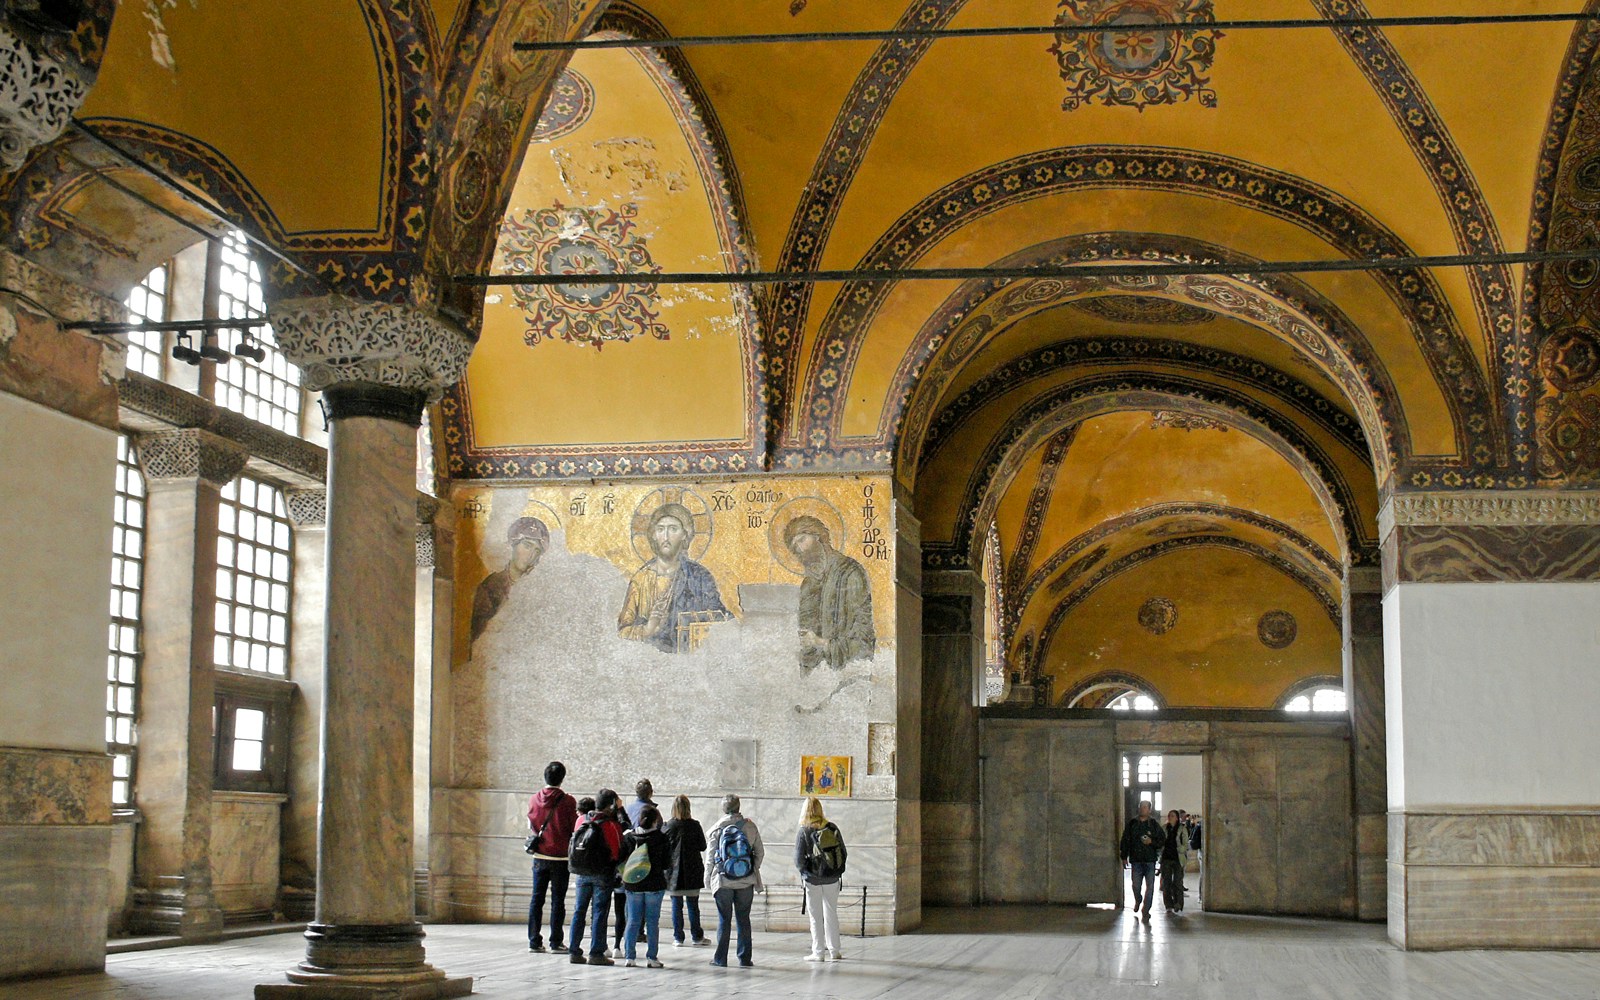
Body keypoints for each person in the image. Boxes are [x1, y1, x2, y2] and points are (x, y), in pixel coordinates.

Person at [618, 502, 731, 653]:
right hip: (651, 661)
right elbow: (622, 632)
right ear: (653, 534)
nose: (665, 536)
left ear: (685, 534)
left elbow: (719, 620)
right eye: (660, 529)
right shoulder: (641, 580)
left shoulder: (700, 577)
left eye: (673, 529)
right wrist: (647, 629)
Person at [784, 515, 876, 670]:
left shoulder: (850, 573)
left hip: (848, 671)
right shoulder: (807, 584)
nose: (800, 549)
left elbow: (863, 637)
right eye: (795, 548)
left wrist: (821, 643)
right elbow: (805, 633)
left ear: (818, 536)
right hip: (817, 675)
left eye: (802, 540)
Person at [706, 793, 764, 968]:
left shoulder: (716, 829)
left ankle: (720, 959)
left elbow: (709, 857)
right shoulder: (750, 826)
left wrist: (708, 878)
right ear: (739, 807)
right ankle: (744, 958)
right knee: (743, 919)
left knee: (724, 919)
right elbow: (760, 852)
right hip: (746, 881)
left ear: (724, 808)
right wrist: (750, 869)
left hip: (723, 880)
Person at [525, 761, 578, 953]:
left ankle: (534, 941)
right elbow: (573, 827)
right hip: (560, 857)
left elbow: (530, 824)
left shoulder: (533, 799)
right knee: (558, 900)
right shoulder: (568, 801)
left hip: (540, 855)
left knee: (536, 899)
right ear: (562, 778)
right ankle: (556, 941)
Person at [568, 789, 624, 965]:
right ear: (611, 805)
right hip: (602, 873)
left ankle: (574, 951)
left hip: (582, 872)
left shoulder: (581, 820)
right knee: (599, 912)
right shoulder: (611, 825)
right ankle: (596, 953)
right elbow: (616, 852)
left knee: (579, 910)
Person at [471, 516, 548, 643]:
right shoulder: (491, 585)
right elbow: (477, 635)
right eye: (527, 546)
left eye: (537, 551)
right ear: (513, 545)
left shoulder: (538, 589)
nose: (530, 555)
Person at [794, 796, 848, 962]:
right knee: (831, 913)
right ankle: (835, 950)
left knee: (815, 916)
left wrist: (805, 874)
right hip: (832, 878)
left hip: (813, 879)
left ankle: (818, 952)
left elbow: (798, 860)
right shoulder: (831, 828)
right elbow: (843, 853)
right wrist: (836, 871)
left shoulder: (804, 831)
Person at [620, 806, 673, 968]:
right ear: (656, 820)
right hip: (654, 884)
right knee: (652, 922)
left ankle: (630, 957)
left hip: (633, 884)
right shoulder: (662, 838)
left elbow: (621, 860)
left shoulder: (630, 837)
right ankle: (651, 957)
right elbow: (666, 864)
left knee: (633, 920)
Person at [662, 794, 708, 947]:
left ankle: (678, 937)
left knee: (676, 906)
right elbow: (703, 846)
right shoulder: (695, 825)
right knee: (693, 906)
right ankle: (696, 936)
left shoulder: (668, 826)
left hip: (674, 872)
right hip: (692, 870)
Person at [1119, 799, 1165, 919]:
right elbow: (1125, 840)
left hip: (1149, 860)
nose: (1142, 809)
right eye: (1141, 807)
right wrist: (1124, 856)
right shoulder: (1132, 823)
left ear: (1149, 810)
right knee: (1136, 885)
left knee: (1150, 887)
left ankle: (1146, 909)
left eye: (1145, 807)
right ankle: (1138, 899)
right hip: (1136, 860)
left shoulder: (1154, 825)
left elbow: (1161, 841)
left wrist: (1151, 842)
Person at [1159, 809, 1190, 913]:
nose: (1170, 817)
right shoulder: (1164, 829)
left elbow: (1186, 844)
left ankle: (1178, 903)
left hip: (1178, 859)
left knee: (1177, 882)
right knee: (1166, 882)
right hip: (1166, 858)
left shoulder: (1182, 829)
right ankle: (1168, 904)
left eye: (1172, 816)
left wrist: (1180, 848)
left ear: (1177, 818)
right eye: (1169, 815)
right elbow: (1160, 842)